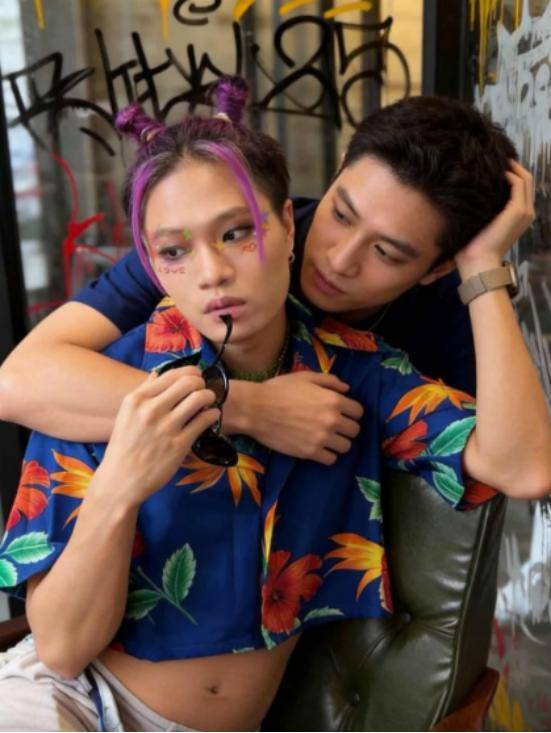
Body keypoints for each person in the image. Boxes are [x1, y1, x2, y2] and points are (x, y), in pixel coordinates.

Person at [0, 78, 548, 733]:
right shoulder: (105, 385)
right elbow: (61, 650)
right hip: (69, 701)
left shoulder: (363, 372)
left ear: (286, 223)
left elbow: (524, 466)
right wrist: (128, 477)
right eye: (174, 250)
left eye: (237, 233)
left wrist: (485, 266)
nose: (211, 271)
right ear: (153, 261)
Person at [0, 94, 547, 470]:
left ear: (436, 268)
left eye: (385, 252)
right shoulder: (221, 245)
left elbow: (523, 467)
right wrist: (246, 407)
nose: (339, 258)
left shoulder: (445, 309)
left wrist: (482, 267)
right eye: (341, 213)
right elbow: (17, 381)